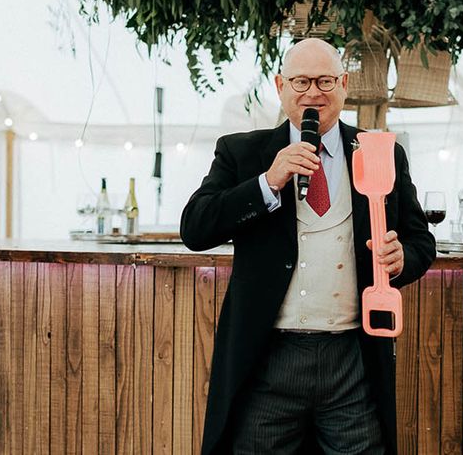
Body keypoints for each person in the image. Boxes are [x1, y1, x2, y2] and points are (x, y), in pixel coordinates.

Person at [181, 37, 436, 454]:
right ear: (280, 86)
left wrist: (402, 257)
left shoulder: (380, 152)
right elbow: (195, 227)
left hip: (351, 356)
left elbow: (421, 241)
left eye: (324, 81)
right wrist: (268, 182)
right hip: (268, 357)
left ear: (344, 84)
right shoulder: (242, 152)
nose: (312, 92)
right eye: (300, 82)